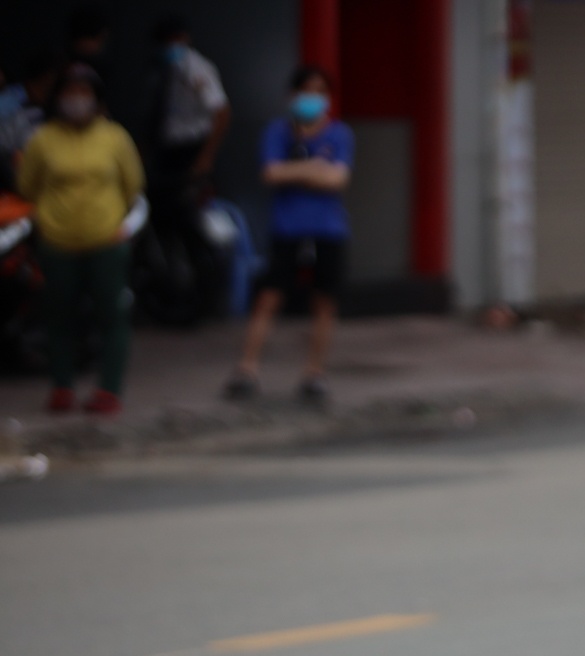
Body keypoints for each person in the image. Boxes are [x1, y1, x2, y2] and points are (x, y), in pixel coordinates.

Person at [18, 64, 143, 416]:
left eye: (83, 93)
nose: (76, 101)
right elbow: (28, 185)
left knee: (111, 316)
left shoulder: (114, 137)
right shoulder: (43, 139)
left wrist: (121, 226)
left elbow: (133, 184)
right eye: (69, 93)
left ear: (97, 99)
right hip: (57, 242)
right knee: (58, 317)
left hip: (106, 240)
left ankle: (109, 389)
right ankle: (62, 386)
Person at [225, 65, 351, 404]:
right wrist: (313, 170)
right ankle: (247, 369)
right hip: (287, 229)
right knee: (268, 299)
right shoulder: (277, 133)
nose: (312, 99)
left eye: (319, 92)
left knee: (323, 302)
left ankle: (314, 373)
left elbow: (338, 180)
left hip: (327, 230)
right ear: (292, 96)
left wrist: (295, 172)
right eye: (306, 91)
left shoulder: (339, 134)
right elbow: (270, 173)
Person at [149, 15, 230, 197]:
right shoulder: (162, 68)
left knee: (192, 209)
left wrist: (205, 158)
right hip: (167, 148)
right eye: (166, 41)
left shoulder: (197, 67)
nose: (170, 45)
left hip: (193, 148)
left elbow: (222, 112)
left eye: (174, 39)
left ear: (184, 38)